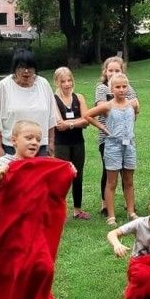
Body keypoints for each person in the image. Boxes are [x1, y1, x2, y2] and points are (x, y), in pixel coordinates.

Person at [0, 120, 75, 299]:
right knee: (12, 271)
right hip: (9, 231)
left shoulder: (42, 164)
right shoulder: (4, 162)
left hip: (35, 229)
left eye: (38, 139)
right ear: (13, 140)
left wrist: (68, 171)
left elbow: (56, 189)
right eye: (28, 138)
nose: (34, 143)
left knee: (43, 267)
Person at [85, 73, 139, 226]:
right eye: (117, 87)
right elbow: (88, 115)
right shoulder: (108, 106)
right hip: (113, 145)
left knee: (128, 180)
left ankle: (131, 212)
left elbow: (135, 114)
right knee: (112, 182)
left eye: (124, 86)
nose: (121, 90)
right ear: (111, 89)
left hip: (129, 145)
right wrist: (102, 126)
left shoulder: (132, 104)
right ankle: (111, 215)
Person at [0, 48, 58, 158]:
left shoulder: (43, 84)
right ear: (15, 68)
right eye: (22, 67)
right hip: (12, 149)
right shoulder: (4, 86)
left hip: (41, 147)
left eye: (30, 67)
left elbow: (51, 118)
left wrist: (51, 142)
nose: (26, 71)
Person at [53, 67, 91, 220]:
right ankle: (58, 210)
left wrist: (69, 124)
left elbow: (87, 120)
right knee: (62, 177)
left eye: (69, 80)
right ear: (57, 82)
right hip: (60, 144)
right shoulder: (53, 99)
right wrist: (77, 122)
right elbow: (58, 124)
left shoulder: (79, 97)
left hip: (77, 142)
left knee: (78, 175)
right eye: (63, 81)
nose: (67, 84)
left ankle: (77, 210)